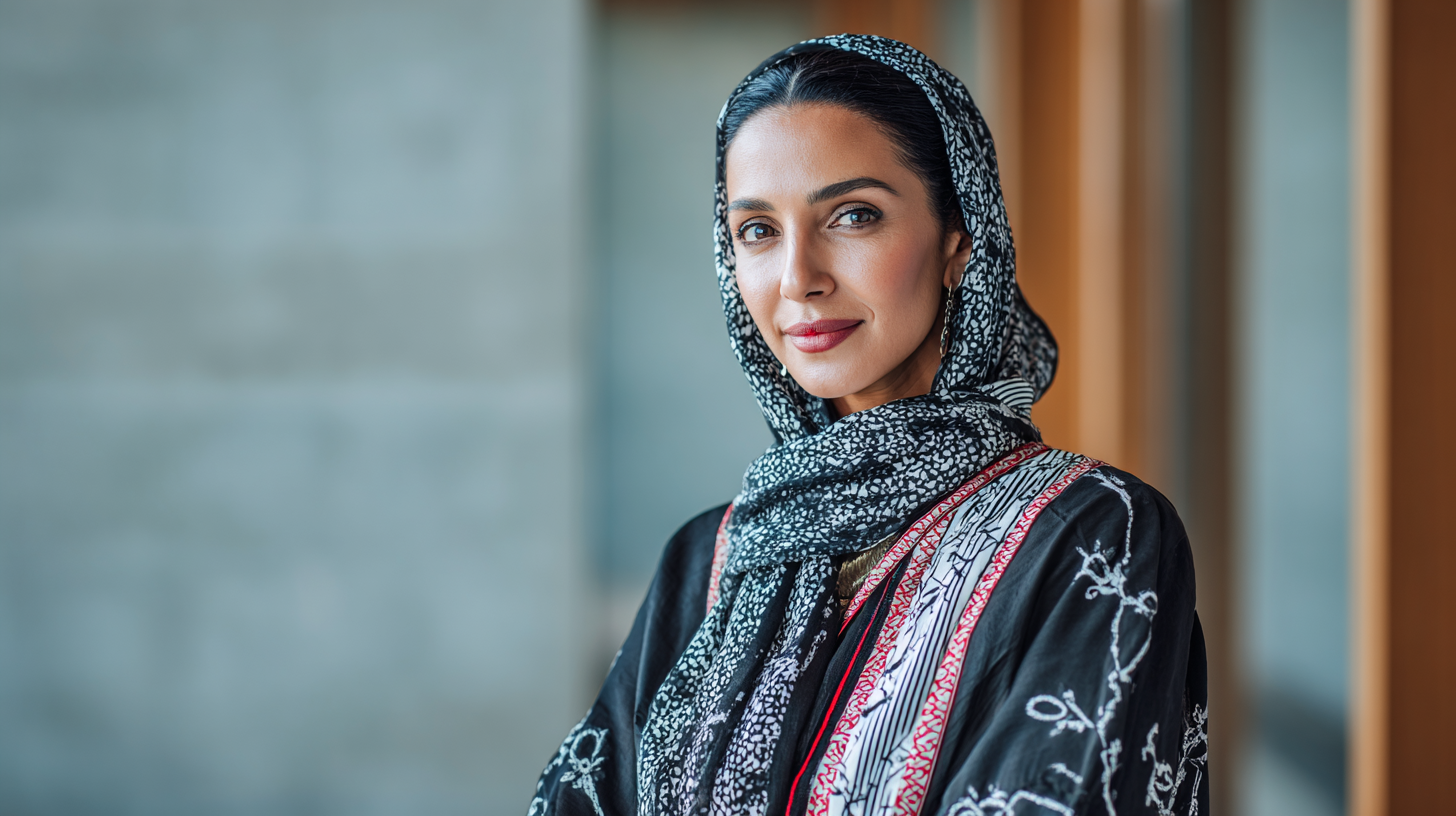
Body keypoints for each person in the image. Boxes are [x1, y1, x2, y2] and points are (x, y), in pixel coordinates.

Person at [530, 35, 1207, 816]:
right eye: (757, 230)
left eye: (853, 216)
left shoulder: (1092, 537)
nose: (799, 279)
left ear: (959, 238)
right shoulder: (712, 560)